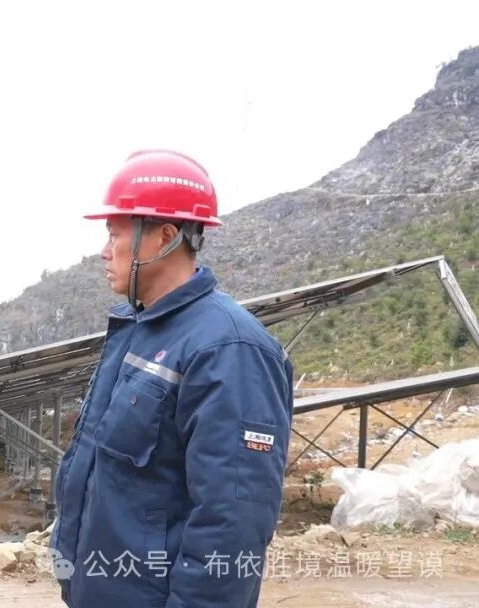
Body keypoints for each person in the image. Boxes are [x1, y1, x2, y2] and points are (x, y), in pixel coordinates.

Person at [50, 150, 294, 607]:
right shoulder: (137, 330)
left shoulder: (229, 348)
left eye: (115, 233)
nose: (104, 251)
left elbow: (232, 522)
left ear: (164, 236)